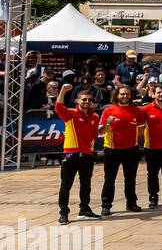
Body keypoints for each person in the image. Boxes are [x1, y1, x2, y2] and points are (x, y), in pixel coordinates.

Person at [53, 83, 101, 224]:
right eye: (84, 99)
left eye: (89, 100)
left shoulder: (95, 117)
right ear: (77, 101)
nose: (87, 102)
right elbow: (58, 107)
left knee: (86, 184)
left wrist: (104, 129)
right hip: (71, 154)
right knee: (66, 185)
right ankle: (63, 212)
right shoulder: (71, 114)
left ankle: (84, 209)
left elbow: (94, 135)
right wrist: (62, 90)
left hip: (87, 155)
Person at [98, 84, 144, 215]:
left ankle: (131, 203)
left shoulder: (136, 111)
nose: (125, 96)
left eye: (127, 94)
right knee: (109, 179)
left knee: (130, 178)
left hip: (131, 149)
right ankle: (106, 205)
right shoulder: (108, 111)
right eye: (122, 94)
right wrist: (108, 123)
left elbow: (141, 129)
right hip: (112, 149)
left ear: (131, 96)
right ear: (117, 95)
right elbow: (101, 131)